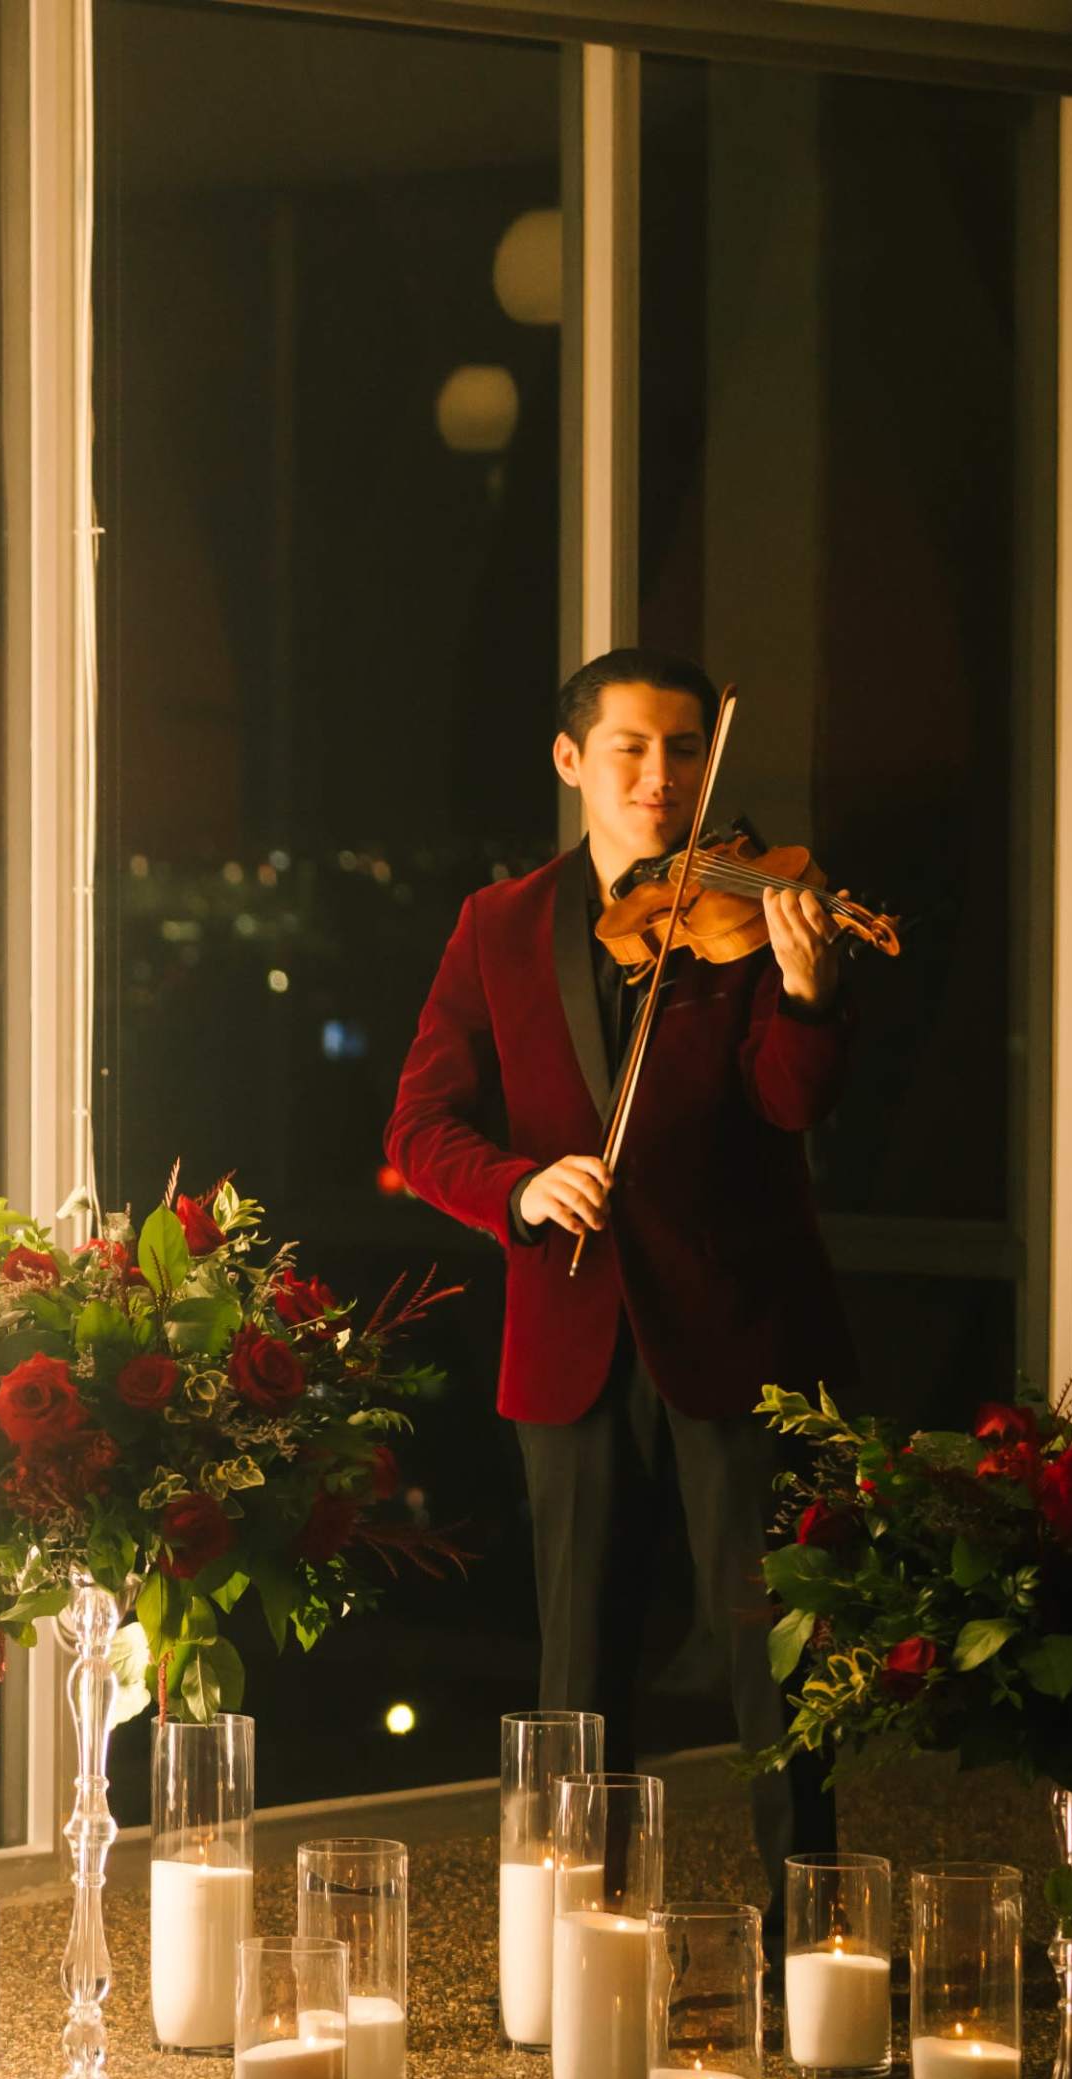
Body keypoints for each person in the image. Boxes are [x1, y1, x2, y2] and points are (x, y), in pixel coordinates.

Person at [383, 647, 853, 1916]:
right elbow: (421, 1130)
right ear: (572, 760)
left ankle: (811, 1941)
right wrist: (521, 1189)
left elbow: (786, 1101)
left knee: (778, 1663)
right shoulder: (497, 923)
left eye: (687, 749)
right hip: (573, 1333)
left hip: (739, 1325)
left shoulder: (749, 909)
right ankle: (583, 1943)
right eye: (634, 748)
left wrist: (803, 987)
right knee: (578, 1670)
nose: (662, 777)